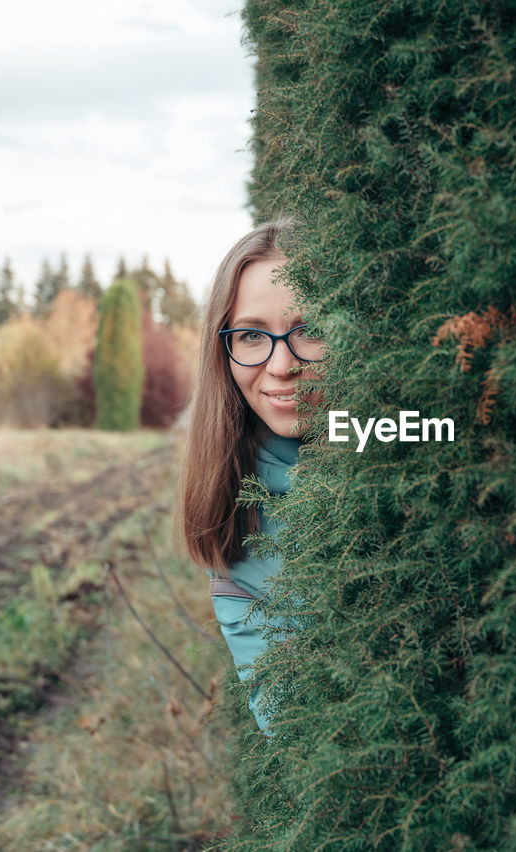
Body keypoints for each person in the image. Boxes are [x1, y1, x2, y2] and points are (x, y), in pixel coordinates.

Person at [173, 220, 325, 732]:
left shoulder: (402, 433)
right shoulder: (233, 514)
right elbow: (293, 723)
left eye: (312, 330)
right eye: (252, 335)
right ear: (224, 348)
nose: (282, 365)